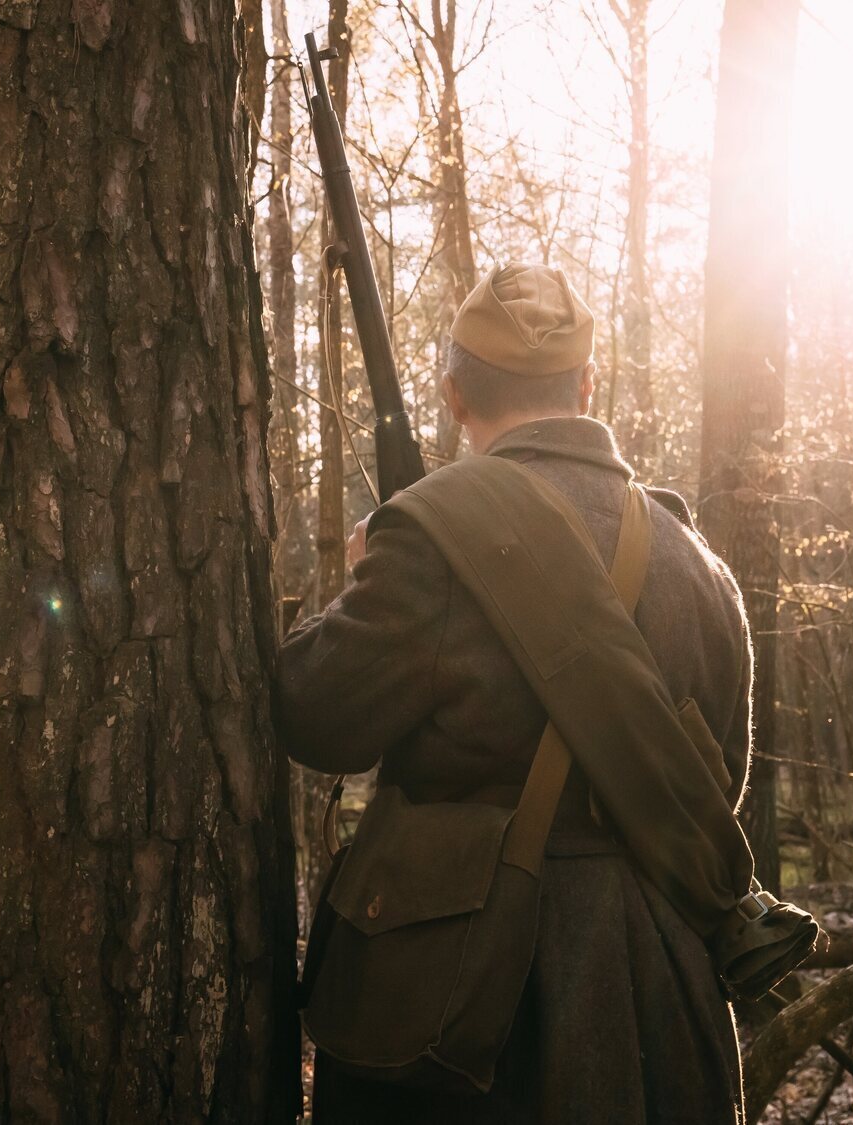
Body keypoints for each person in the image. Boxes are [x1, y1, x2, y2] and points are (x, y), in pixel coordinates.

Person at [277, 263, 751, 1123]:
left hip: (474, 1015)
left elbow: (316, 716)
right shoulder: (700, 565)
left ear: (456, 397)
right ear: (587, 384)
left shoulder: (427, 540)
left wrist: (354, 586)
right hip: (663, 1008)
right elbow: (716, 783)